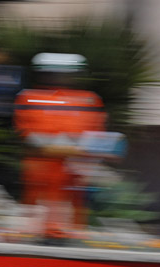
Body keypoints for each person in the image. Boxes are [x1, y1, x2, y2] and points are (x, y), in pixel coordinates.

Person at [13, 53, 109, 242]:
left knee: (74, 199)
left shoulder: (89, 99)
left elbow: (96, 130)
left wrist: (78, 148)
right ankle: (39, 234)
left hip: (75, 163)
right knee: (38, 198)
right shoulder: (30, 98)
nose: (59, 78)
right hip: (43, 163)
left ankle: (71, 234)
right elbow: (26, 131)